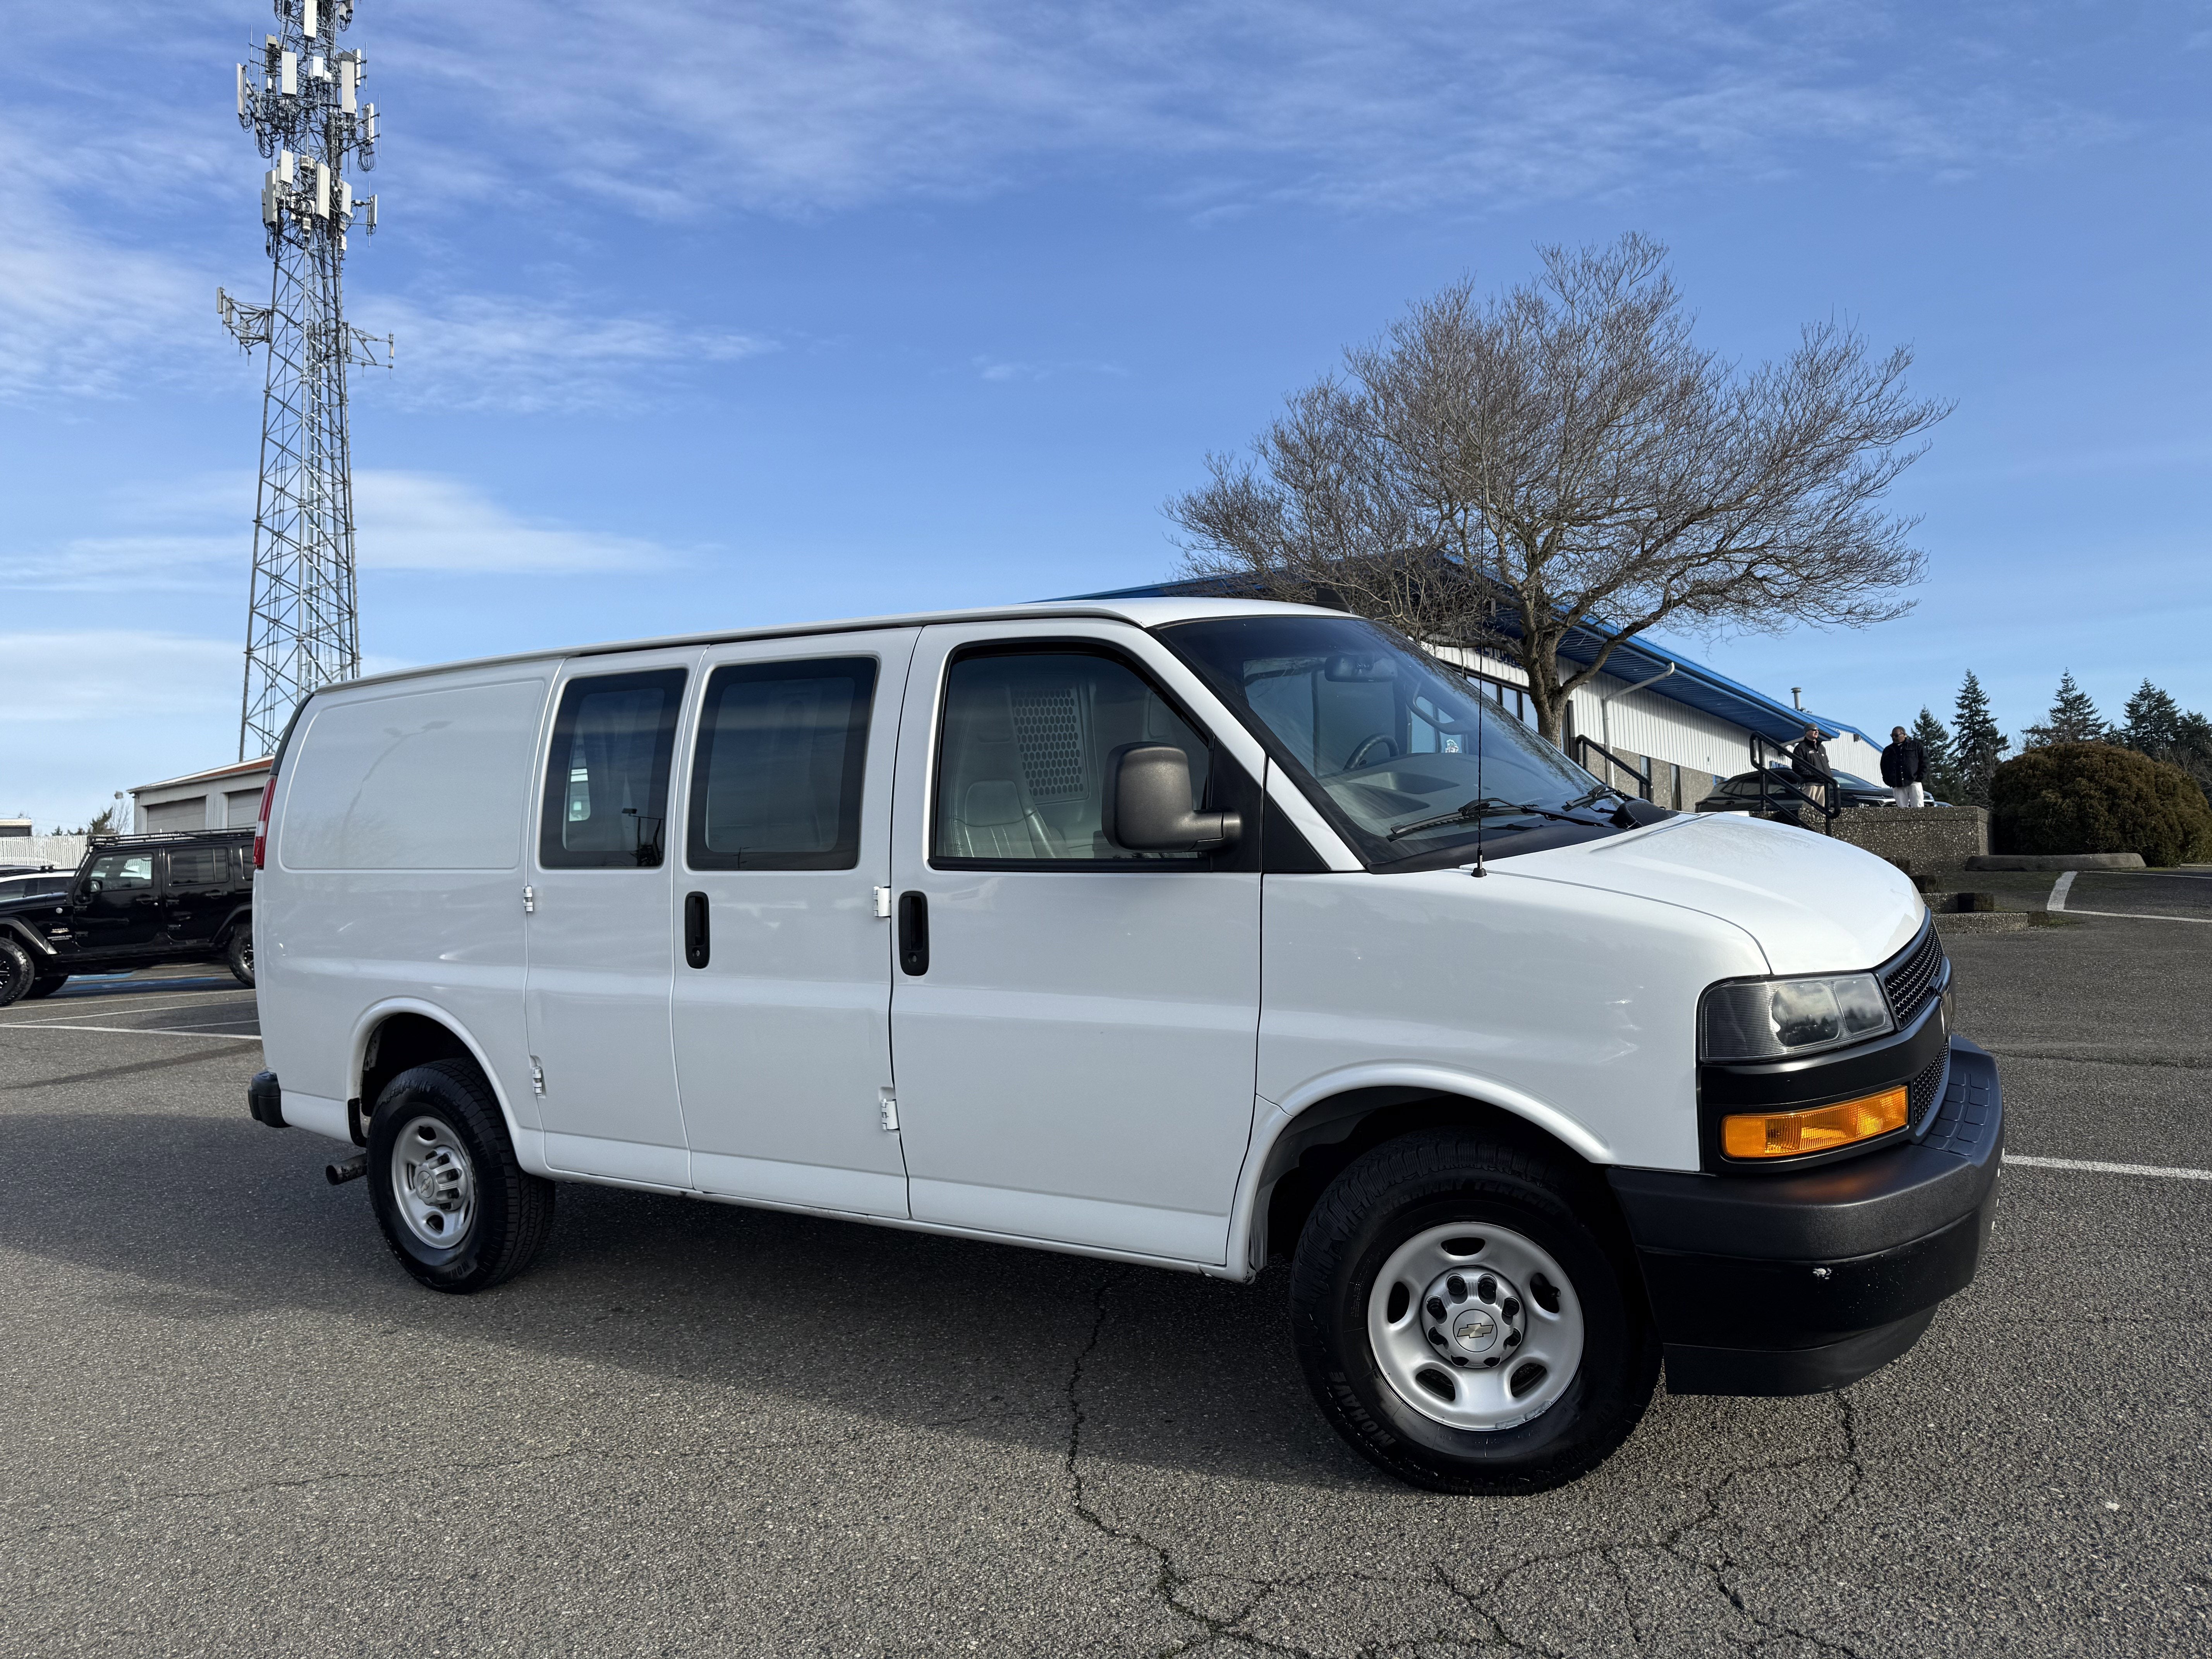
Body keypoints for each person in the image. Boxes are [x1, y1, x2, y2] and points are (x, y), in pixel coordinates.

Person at [1788, 724, 1834, 817]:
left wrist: (1828, 776)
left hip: (1823, 784)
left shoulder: (1822, 747)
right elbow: (1797, 767)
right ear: (1807, 732)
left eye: (1817, 730)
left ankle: (1820, 829)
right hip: (1811, 784)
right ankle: (1807, 828)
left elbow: (1827, 764)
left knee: (1822, 812)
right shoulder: (1801, 748)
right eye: (1813, 730)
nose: (1816, 732)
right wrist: (1813, 775)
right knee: (1809, 809)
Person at [1881, 725, 1927, 807]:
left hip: (1914, 782)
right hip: (1898, 785)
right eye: (1892, 736)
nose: (1894, 738)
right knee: (1901, 810)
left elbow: (1925, 761)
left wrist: (1920, 778)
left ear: (1904, 735)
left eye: (1896, 735)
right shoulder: (1888, 751)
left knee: (1919, 808)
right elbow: (1884, 767)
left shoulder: (1916, 746)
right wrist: (1889, 781)